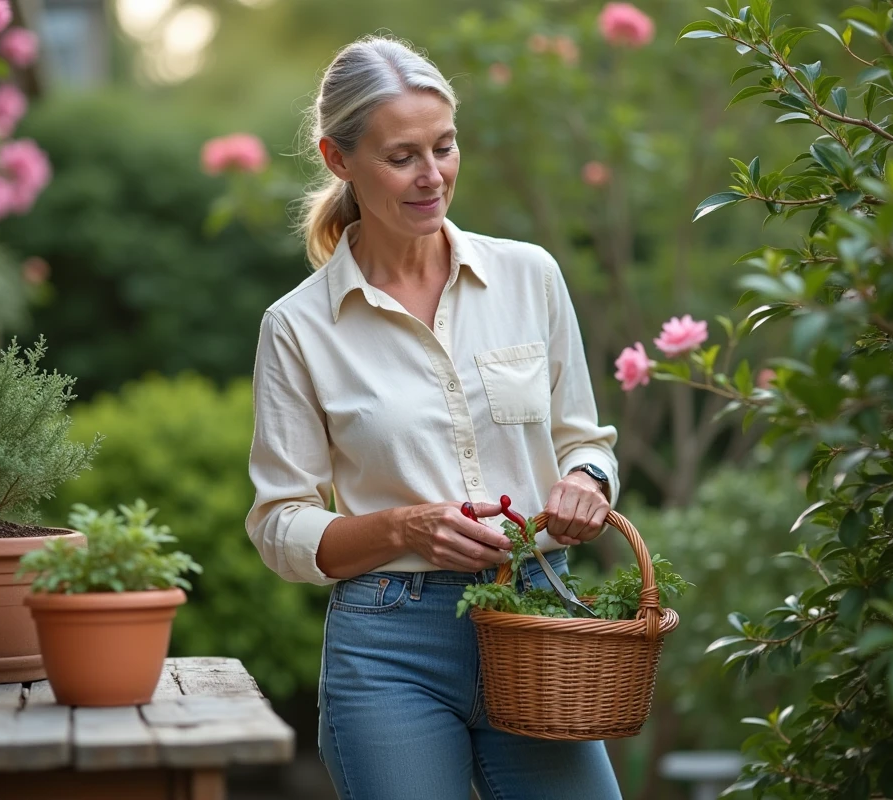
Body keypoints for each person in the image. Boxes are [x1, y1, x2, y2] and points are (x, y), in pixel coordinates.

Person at [246, 35, 623, 800]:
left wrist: (587, 479)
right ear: (338, 157)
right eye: (402, 156)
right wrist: (402, 527)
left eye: (444, 148)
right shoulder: (299, 327)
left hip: (538, 614)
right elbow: (279, 524)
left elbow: (583, 439)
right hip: (391, 644)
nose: (432, 177)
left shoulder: (529, 276)